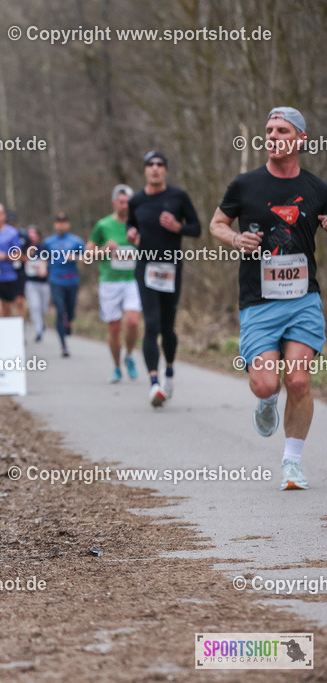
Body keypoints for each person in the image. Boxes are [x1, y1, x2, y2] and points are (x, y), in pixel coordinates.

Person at [209, 106, 327, 490]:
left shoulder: (316, 188)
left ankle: (292, 462)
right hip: (259, 300)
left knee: (297, 380)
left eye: (281, 130)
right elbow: (216, 224)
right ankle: (264, 399)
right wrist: (235, 239)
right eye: (269, 130)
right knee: (266, 383)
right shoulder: (245, 185)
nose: (272, 136)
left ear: (300, 139)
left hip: (303, 299)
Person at [126, 151, 201, 407]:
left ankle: (169, 370)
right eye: (150, 165)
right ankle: (154, 383)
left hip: (171, 268)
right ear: (145, 170)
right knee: (152, 323)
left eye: (160, 165)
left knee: (168, 326)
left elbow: (197, 228)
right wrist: (131, 233)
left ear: (165, 170)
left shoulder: (178, 197)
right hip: (145, 267)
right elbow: (130, 225)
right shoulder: (136, 201)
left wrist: (178, 228)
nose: (155, 168)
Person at [86, 184, 142, 383]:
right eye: (121, 202)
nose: (125, 206)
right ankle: (117, 366)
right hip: (109, 282)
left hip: (132, 281)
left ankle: (129, 355)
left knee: (133, 322)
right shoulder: (103, 225)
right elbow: (86, 256)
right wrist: (104, 250)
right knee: (115, 328)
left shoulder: (138, 225)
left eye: (128, 202)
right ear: (114, 202)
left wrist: (139, 244)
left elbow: (153, 249)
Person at [40, 212, 85, 357]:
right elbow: (43, 258)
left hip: (72, 280)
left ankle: (70, 321)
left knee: (70, 310)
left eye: (64, 222)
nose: (61, 225)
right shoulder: (48, 242)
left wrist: (76, 258)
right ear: (55, 224)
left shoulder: (76, 241)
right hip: (55, 280)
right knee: (60, 310)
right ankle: (63, 345)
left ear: (68, 224)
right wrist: (42, 268)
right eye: (59, 222)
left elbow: (85, 258)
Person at [23, 226, 49, 342]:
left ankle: (41, 322)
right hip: (31, 283)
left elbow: (46, 261)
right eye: (30, 234)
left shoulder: (43, 247)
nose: (32, 237)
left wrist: (44, 268)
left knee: (43, 308)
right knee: (35, 307)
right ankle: (38, 331)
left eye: (34, 234)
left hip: (44, 283)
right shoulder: (23, 248)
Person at [8, 210, 29, 320]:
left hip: (20, 272)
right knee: (9, 303)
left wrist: (25, 258)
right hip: (6, 272)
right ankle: (10, 326)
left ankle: (21, 326)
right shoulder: (2, 236)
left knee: (20, 301)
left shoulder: (23, 235)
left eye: (13, 222)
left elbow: (30, 250)